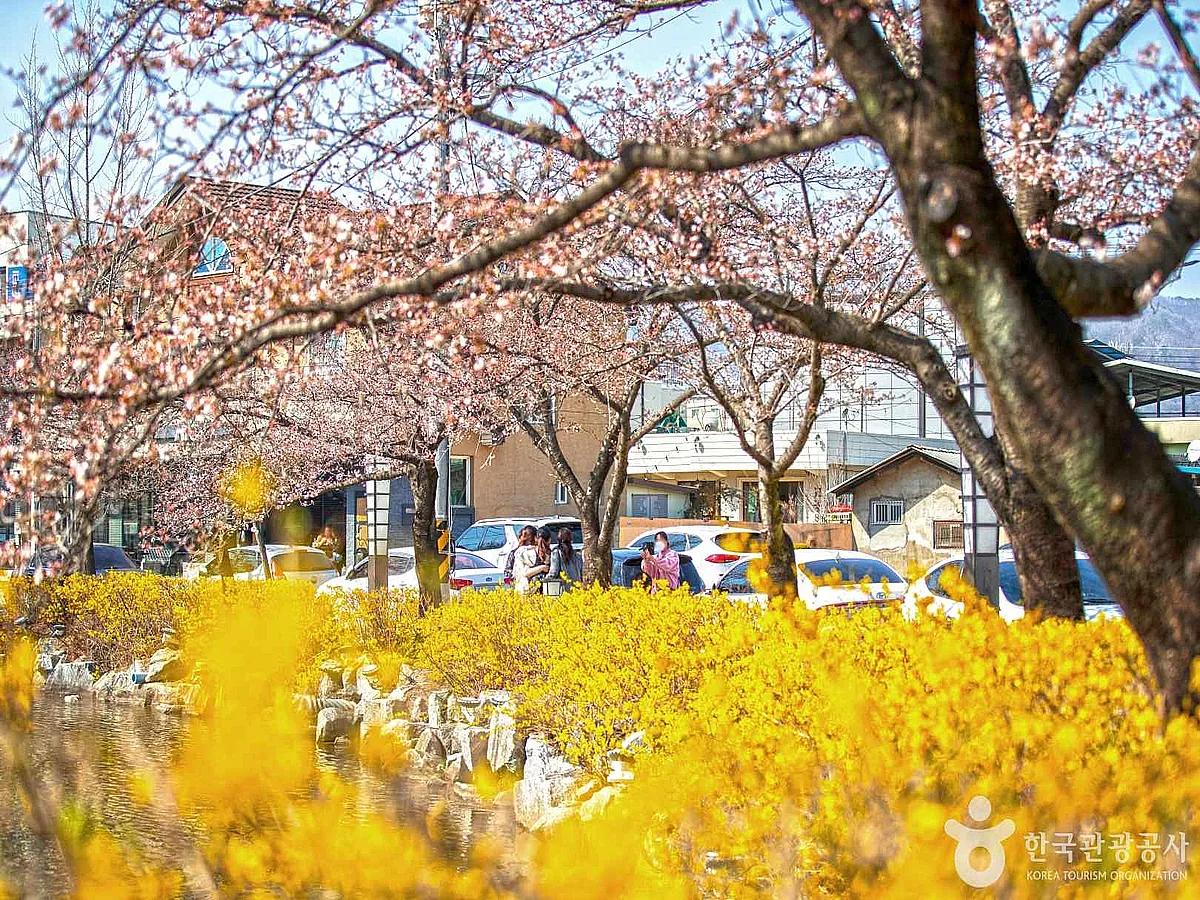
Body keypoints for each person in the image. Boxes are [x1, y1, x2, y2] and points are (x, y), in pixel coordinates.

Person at [511, 526, 548, 594]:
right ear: (535, 538)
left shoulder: (517, 551)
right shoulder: (523, 552)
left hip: (522, 589)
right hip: (529, 588)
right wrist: (542, 568)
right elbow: (524, 573)